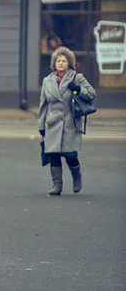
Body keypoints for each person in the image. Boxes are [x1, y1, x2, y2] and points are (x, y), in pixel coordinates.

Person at [38, 46, 96, 195]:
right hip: (52, 123)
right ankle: (57, 185)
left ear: (69, 63)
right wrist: (41, 126)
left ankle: (76, 175)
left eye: (64, 61)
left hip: (70, 123)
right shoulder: (47, 81)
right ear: (54, 63)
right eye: (58, 60)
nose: (61, 63)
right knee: (54, 155)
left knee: (70, 155)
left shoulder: (76, 77)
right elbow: (43, 105)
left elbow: (91, 94)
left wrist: (77, 89)